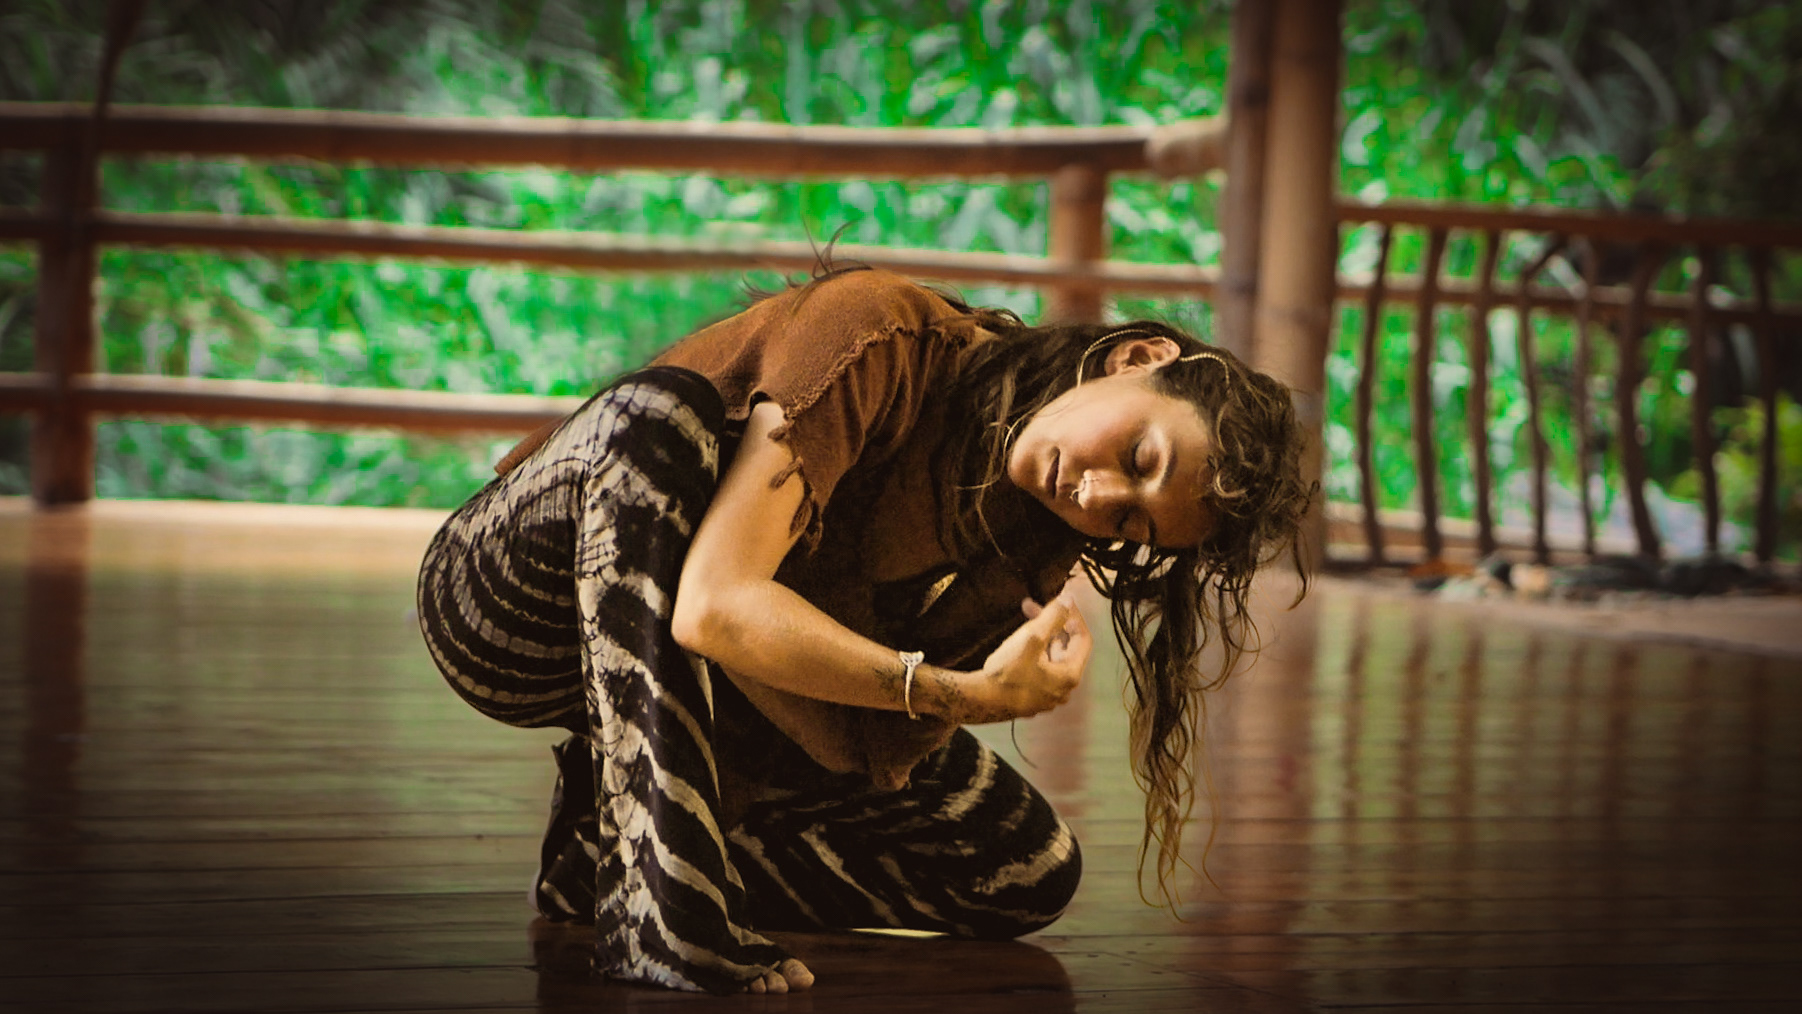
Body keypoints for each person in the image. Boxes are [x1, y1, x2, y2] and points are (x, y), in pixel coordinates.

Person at [416, 265, 1311, 994]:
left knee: (1026, 866)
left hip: (702, 697)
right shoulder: (881, 333)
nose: (1101, 497)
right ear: (1135, 358)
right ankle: (664, 897)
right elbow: (713, 606)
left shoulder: (1035, 534)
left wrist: (944, 694)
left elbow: (866, 744)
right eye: (1139, 457)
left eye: (1134, 525)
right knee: (659, 421)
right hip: (516, 610)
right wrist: (951, 690)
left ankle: (601, 853)